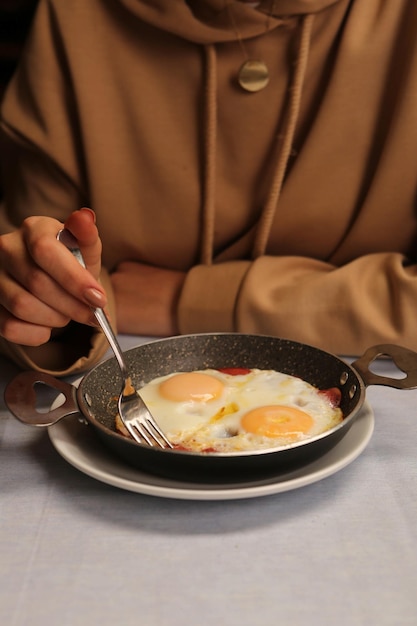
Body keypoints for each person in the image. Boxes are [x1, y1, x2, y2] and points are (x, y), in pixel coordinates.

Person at [0, 0, 417, 376]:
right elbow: (39, 257)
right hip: (120, 399)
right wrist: (47, 303)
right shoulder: (75, 13)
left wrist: (186, 300)